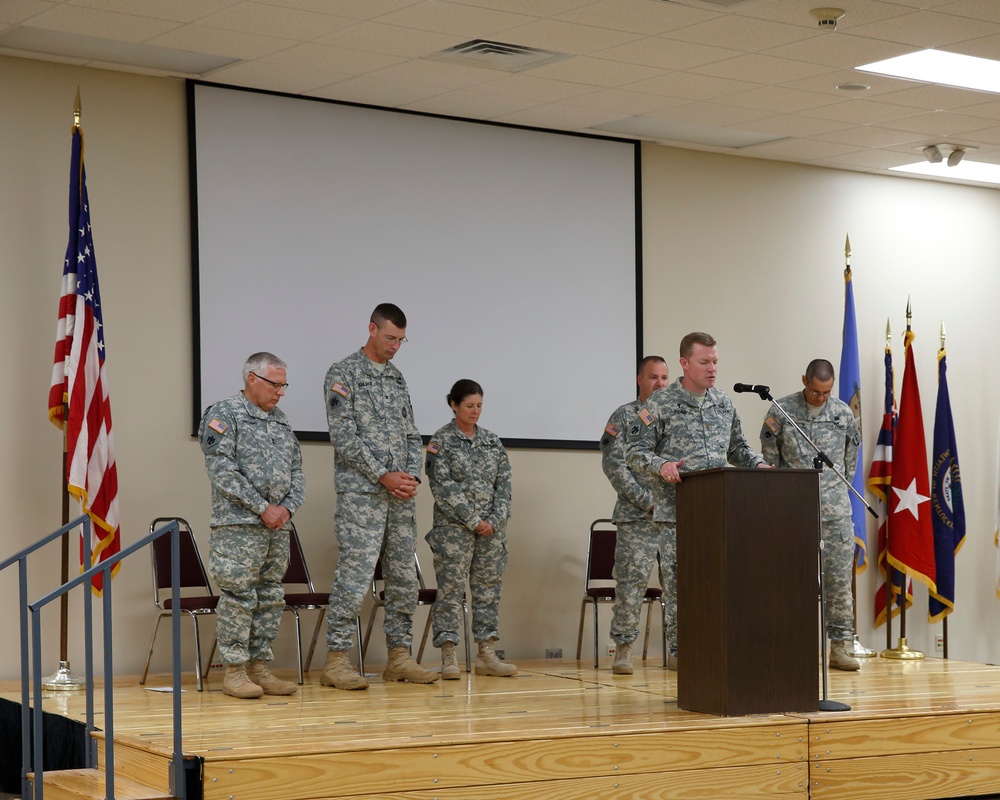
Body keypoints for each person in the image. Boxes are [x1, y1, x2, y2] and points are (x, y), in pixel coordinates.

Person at [624, 332, 769, 673]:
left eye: (715, 361)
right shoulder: (659, 405)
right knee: (681, 588)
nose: (712, 368)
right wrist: (662, 465)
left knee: (720, 585)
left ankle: (715, 647)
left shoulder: (723, 403)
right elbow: (634, 452)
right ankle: (681, 650)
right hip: (678, 513)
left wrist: (758, 464)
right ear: (685, 363)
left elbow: (738, 450)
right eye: (704, 362)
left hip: (720, 513)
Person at [321, 303, 436, 689]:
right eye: (390, 338)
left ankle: (399, 657)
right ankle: (336, 661)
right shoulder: (343, 374)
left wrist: (411, 478)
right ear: (371, 329)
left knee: (404, 578)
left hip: (400, 495)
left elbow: (410, 432)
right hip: (362, 496)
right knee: (354, 577)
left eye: (402, 341)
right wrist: (383, 475)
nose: (396, 347)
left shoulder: (397, 379)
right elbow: (345, 437)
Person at [199, 352, 305, 699]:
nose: (281, 392)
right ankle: (234, 672)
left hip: (276, 528)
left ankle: (260, 667)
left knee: (271, 596)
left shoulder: (282, 421)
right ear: (252, 379)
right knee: (239, 596)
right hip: (239, 526)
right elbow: (221, 470)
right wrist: (262, 508)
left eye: (284, 385)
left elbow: (297, 472)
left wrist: (286, 508)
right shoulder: (224, 414)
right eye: (276, 384)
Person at [759, 359, 861, 671]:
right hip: (793, 511)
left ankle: (841, 647)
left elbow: (849, 461)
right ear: (805, 380)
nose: (820, 397)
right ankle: (792, 644)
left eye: (826, 393)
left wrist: (832, 492)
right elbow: (768, 457)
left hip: (834, 512)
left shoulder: (844, 413)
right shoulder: (781, 410)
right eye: (815, 391)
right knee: (792, 582)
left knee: (839, 583)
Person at [425, 380, 515, 679]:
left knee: (488, 592)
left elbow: (504, 485)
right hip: (454, 531)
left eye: (479, 405)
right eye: (469, 406)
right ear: (454, 404)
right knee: (450, 592)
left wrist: (495, 520)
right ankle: (449, 655)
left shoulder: (492, 441)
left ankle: (486, 654)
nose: (475, 411)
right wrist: (473, 519)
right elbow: (443, 487)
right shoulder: (441, 442)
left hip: (491, 532)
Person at [600, 356, 671, 675]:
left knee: (681, 586)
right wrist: (647, 502)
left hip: (674, 519)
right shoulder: (624, 416)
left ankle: (679, 649)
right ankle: (624, 650)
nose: (660, 383)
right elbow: (614, 465)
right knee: (631, 585)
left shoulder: (676, 416)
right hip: (637, 518)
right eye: (654, 377)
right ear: (640, 380)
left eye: (665, 378)